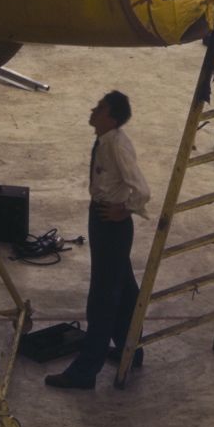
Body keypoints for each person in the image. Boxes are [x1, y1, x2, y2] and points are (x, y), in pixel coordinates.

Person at [47, 89, 151, 390]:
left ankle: (85, 370)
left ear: (112, 118)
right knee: (125, 287)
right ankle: (130, 349)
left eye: (100, 108)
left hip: (111, 223)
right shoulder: (105, 141)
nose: (93, 110)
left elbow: (142, 190)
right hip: (102, 218)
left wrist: (125, 209)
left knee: (103, 297)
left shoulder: (117, 145)